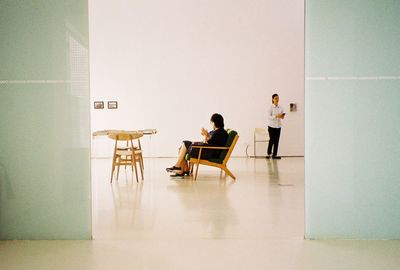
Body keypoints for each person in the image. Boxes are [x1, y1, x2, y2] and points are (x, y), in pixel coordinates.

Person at [166, 113, 228, 177]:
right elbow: (207, 142)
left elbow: (210, 143)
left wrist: (206, 136)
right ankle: (184, 170)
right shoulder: (215, 131)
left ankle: (178, 167)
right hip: (207, 150)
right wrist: (206, 136)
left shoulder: (220, 133)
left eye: (211, 122)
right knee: (183, 146)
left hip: (209, 153)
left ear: (215, 122)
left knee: (185, 143)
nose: (211, 124)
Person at [266, 94, 285, 159]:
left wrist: (282, 116)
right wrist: (276, 116)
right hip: (271, 126)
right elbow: (269, 117)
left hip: (278, 126)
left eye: (278, 98)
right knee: (271, 140)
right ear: (273, 99)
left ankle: (274, 155)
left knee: (277, 140)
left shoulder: (281, 107)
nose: (277, 99)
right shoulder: (270, 107)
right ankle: (268, 154)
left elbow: (282, 117)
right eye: (276, 98)